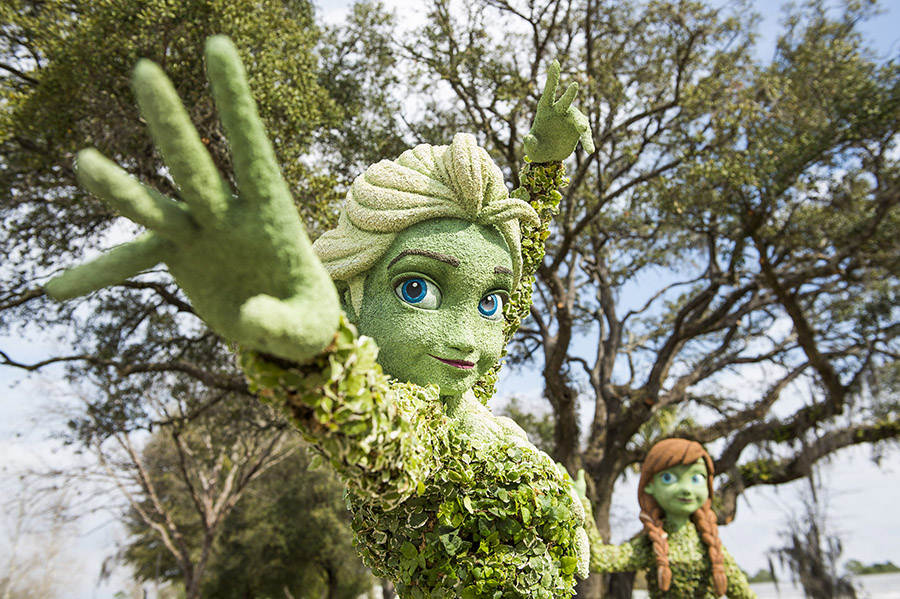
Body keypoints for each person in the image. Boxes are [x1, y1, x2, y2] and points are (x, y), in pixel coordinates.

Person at [45, 36, 595, 599]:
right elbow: (381, 444)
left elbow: (518, 271)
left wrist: (545, 166)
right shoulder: (417, 423)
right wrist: (318, 355)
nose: (469, 336)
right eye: (416, 288)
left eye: (487, 304)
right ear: (352, 300)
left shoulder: (469, 388)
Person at [590, 438, 756, 599]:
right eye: (668, 478)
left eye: (696, 478)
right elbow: (597, 559)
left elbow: (745, 595)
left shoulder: (712, 547)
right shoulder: (650, 546)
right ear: (649, 485)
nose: (686, 489)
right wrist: (580, 503)